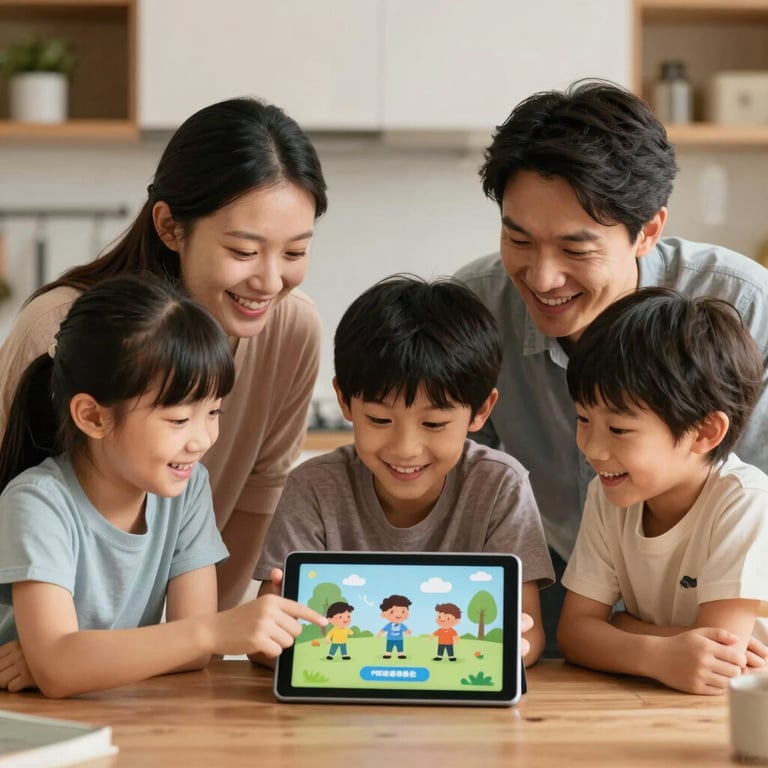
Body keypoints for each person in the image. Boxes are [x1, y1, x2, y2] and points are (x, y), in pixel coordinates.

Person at [454, 79, 768, 656]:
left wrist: (656, 636)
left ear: (648, 230)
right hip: (549, 593)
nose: (543, 278)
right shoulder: (475, 312)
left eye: (576, 249)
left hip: (727, 607)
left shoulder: (747, 307)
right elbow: (471, 496)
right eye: (517, 237)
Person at [0, 97, 328, 611]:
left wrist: (199, 643)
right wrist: (49, 644)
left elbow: (255, 501)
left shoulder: (294, 328)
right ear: (170, 226)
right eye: (244, 251)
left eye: (295, 252)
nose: (270, 280)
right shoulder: (60, 327)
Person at [0, 275, 327, 698]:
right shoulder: (38, 503)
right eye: (178, 420)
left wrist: (72, 663)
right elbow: (61, 669)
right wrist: (62, 664)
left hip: (117, 711)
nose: (203, 439)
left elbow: (193, 652)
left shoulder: (188, 489)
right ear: (93, 417)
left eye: (214, 413)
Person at [254, 275, 554, 665]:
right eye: (379, 420)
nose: (405, 449)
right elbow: (265, 641)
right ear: (344, 401)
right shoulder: (313, 486)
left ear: (481, 410)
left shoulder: (500, 486)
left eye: (433, 424)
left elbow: (527, 636)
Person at [557, 287, 768, 695]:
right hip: (658, 700)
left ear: (704, 432)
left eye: (619, 429)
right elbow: (574, 634)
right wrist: (657, 655)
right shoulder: (608, 493)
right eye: (583, 418)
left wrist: (622, 627)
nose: (591, 448)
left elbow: (717, 663)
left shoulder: (745, 500)